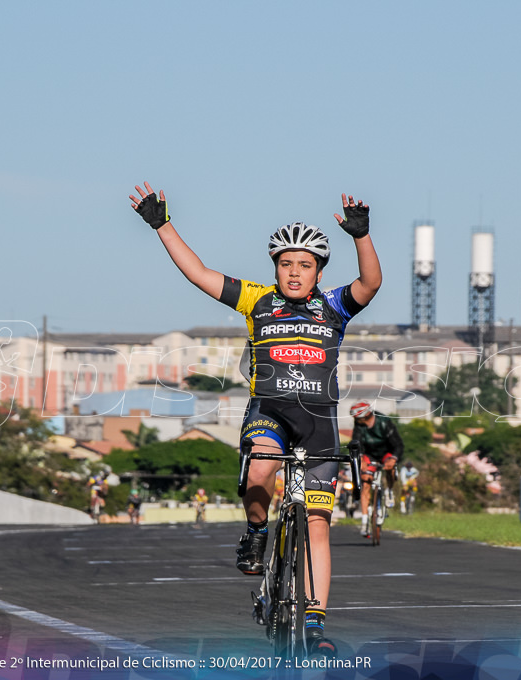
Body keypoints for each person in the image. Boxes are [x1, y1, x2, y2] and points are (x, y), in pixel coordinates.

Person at [131, 181, 382, 656]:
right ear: (275, 268)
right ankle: (257, 530)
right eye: (285, 263)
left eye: (304, 265)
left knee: (317, 525)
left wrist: (361, 237)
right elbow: (199, 274)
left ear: (319, 271)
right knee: (262, 467)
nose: (293, 272)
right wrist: (163, 225)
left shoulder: (332, 307)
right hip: (268, 413)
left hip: (319, 423)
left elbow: (370, 284)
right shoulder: (256, 301)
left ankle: (314, 622)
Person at [349, 400, 404, 537]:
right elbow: (357, 443)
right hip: (369, 455)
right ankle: (364, 521)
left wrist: (394, 459)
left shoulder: (385, 422)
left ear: (365, 416)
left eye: (357, 418)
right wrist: (361, 459)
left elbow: (398, 444)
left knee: (390, 469)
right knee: (365, 480)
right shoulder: (359, 426)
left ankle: (389, 491)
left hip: (387, 452)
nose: (355, 421)